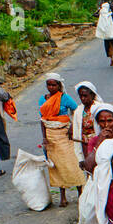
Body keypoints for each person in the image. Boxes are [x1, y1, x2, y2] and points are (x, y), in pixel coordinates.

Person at [37, 73, 84, 208]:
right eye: (49, 85)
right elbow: (43, 119)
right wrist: (44, 138)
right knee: (56, 166)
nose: (51, 87)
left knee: (72, 163)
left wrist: (72, 128)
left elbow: (76, 111)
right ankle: (62, 196)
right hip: (51, 135)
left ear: (59, 85)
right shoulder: (43, 99)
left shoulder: (65, 98)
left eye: (54, 85)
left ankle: (80, 192)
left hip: (64, 134)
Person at [81, 103, 113, 173]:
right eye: (102, 121)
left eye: (109, 121)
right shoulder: (94, 140)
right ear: (98, 123)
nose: (106, 125)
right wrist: (99, 142)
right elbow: (88, 167)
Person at [95, 2, 113, 68]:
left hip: (105, 33)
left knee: (108, 46)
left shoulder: (101, 15)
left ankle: (111, 58)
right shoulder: (111, 15)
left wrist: (98, 10)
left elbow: (94, 15)